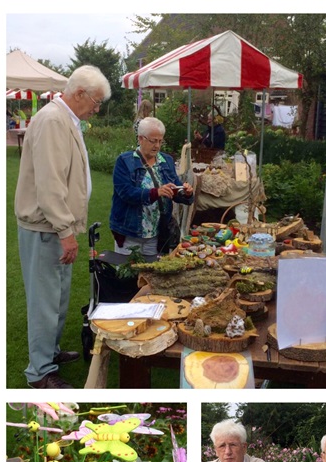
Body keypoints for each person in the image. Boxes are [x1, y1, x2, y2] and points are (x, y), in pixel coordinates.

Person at [15, 65, 111, 389]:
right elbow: (50, 184)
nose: (97, 109)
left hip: (53, 227)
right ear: (80, 93)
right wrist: (65, 231)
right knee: (45, 302)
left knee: (57, 298)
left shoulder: (66, 119)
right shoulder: (54, 120)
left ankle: (50, 353)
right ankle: (40, 373)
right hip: (46, 228)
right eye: (96, 102)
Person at [110, 116, 194, 256]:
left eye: (160, 141)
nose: (157, 146)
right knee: (128, 275)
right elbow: (126, 193)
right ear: (140, 138)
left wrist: (185, 192)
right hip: (130, 232)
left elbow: (174, 189)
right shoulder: (125, 161)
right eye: (153, 141)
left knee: (152, 275)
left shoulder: (166, 161)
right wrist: (156, 192)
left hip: (157, 234)